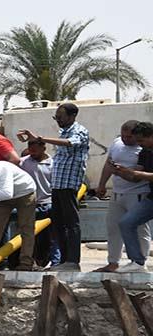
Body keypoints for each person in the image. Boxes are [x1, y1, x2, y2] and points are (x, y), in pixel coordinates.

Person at [18, 103, 89, 271]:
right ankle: (64, 261)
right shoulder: (63, 131)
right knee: (58, 223)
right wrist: (33, 136)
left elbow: (71, 143)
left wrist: (41, 139)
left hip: (68, 184)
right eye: (55, 118)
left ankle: (72, 261)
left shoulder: (79, 130)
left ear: (72, 116)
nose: (58, 121)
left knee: (71, 223)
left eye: (60, 117)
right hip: (58, 185)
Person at [95, 120, 149, 273]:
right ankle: (113, 262)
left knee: (139, 229)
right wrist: (102, 184)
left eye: (129, 137)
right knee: (113, 228)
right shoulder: (117, 143)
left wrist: (120, 171)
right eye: (123, 135)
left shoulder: (143, 149)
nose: (126, 139)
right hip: (117, 193)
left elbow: (136, 176)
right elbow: (108, 164)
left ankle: (140, 262)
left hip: (137, 193)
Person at [114, 122, 153, 272]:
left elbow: (140, 174)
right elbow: (138, 173)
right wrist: (123, 171)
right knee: (126, 223)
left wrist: (136, 174)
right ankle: (137, 262)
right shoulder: (145, 152)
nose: (140, 144)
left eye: (142, 141)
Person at [20, 139, 61, 267]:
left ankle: (56, 262)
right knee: (31, 236)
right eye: (30, 150)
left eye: (35, 150)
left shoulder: (53, 164)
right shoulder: (24, 162)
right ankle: (32, 262)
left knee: (54, 236)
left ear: (43, 148)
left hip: (49, 203)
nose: (32, 153)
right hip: (31, 205)